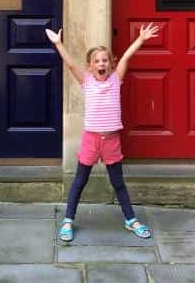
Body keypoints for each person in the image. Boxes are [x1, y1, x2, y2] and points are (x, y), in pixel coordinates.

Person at [45, 23, 159, 242]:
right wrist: (59, 44)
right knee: (80, 180)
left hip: (112, 140)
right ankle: (68, 220)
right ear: (90, 66)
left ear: (110, 64)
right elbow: (70, 65)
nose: (101, 64)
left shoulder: (116, 80)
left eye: (105, 60)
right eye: (97, 61)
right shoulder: (86, 81)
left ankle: (130, 219)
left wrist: (141, 40)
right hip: (91, 139)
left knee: (118, 182)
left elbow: (125, 58)